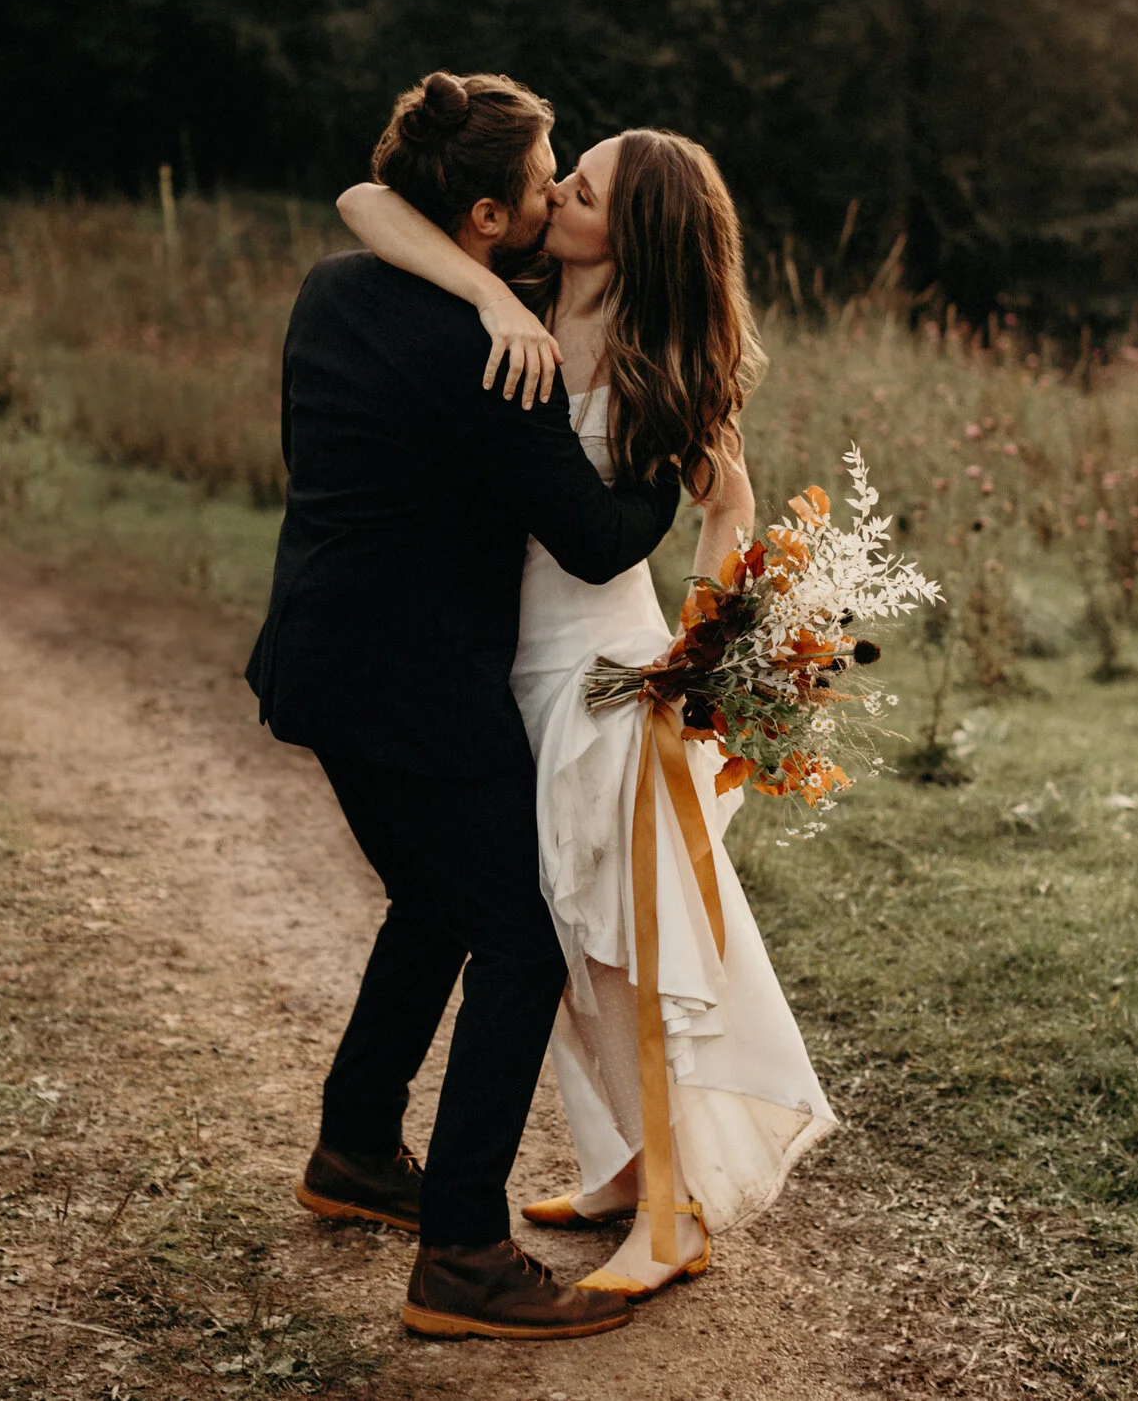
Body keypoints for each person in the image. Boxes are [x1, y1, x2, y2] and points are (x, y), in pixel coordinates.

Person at [334, 114, 839, 1299]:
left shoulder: (666, 370)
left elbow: (728, 523)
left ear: (638, 230)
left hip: (604, 680)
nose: (552, 189)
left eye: (584, 186)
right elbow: (365, 205)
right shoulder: (515, 294)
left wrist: (692, 678)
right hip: (503, 674)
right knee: (556, 943)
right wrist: (492, 297)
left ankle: (672, 1218)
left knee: (621, 957)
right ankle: (619, 1166)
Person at [247, 72, 678, 1341]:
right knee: (520, 934)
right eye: (547, 177)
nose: (558, 192)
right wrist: (680, 456)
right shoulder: (498, 360)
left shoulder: (336, 287)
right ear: (487, 216)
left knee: (438, 901)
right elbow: (598, 543)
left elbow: (365, 203)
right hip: (416, 688)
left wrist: (490, 286)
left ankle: (356, 1147)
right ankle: (464, 1254)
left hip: (315, 655)